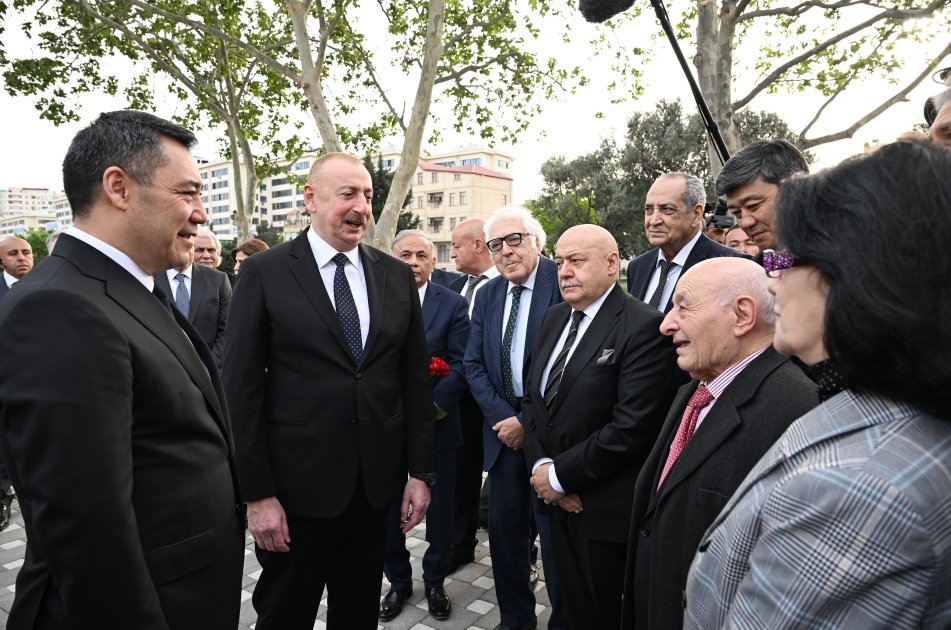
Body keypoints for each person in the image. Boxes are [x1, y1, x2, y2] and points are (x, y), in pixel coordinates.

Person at [685, 141, 951, 629]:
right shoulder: (878, 404)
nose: (770, 280)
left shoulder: (858, 489)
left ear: (860, 271)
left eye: (790, 257)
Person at [0, 110, 244, 629]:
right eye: (188, 192)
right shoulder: (60, 308)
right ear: (118, 187)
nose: (202, 214)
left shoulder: (135, 287)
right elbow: (88, 534)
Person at [223, 152, 434, 630]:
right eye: (348, 194)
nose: (361, 206)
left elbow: (414, 383)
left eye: (367, 195)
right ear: (310, 199)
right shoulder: (263, 273)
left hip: (373, 489)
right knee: (284, 613)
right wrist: (257, 496)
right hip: (295, 494)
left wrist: (421, 473)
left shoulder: (394, 274)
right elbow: (241, 392)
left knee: (357, 613)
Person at [621, 257, 817, 630]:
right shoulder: (697, 388)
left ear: (742, 315)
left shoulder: (797, 414)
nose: (666, 323)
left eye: (684, 306)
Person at [523, 225, 679, 629]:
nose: (564, 272)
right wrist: (544, 470)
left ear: (612, 264)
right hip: (555, 502)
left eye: (576, 261)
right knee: (569, 608)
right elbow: (534, 402)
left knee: (602, 615)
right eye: (559, 262)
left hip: (600, 510)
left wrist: (561, 477)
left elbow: (630, 428)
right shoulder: (555, 316)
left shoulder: (644, 326)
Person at [464, 205, 565, 630]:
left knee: (559, 544)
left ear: (537, 242)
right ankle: (515, 621)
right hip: (504, 437)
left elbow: (568, 365)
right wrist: (506, 418)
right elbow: (472, 364)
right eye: (495, 245)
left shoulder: (562, 284)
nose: (504, 251)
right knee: (505, 540)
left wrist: (527, 420)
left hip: (552, 437)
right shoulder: (487, 294)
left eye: (514, 240)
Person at [380, 230, 470, 622]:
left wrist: (431, 408)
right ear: (392, 259)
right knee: (386, 511)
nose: (413, 262)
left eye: (421, 255)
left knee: (442, 510)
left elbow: (463, 362)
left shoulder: (452, 304)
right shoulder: (375, 300)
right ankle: (398, 581)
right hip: (384, 429)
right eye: (405, 255)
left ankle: (435, 580)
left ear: (434, 262)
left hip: (439, 427)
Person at [447, 217, 500, 571]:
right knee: (462, 476)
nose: (451, 253)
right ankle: (461, 544)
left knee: (503, 477)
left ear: (478, 245)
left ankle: (515, 551)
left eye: (455, 246)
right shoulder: (452, 285)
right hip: (460, 402)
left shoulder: (506, 285)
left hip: (497, 401)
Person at [628, 172, 746, 314]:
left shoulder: (733, 265)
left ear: (696, 214)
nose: (653, 220)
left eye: (667, 209)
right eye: (649, 210)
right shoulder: (637, 267)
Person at [715, 139, 808, 253]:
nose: (745, 223)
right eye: (737, 214)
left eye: (753, 206)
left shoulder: (831, 257)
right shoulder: (770, 262)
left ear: (796, 191)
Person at [154, 242, 231, 369]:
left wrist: (210, 367)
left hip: (210, 370)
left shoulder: (218, 279)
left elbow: (227, 329)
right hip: (163, 370)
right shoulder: (151, 278)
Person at [0, 236, 33, 531]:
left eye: (26, 252)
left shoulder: (49, 283)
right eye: (13, 254)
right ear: (1, 261)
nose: (21, 258)